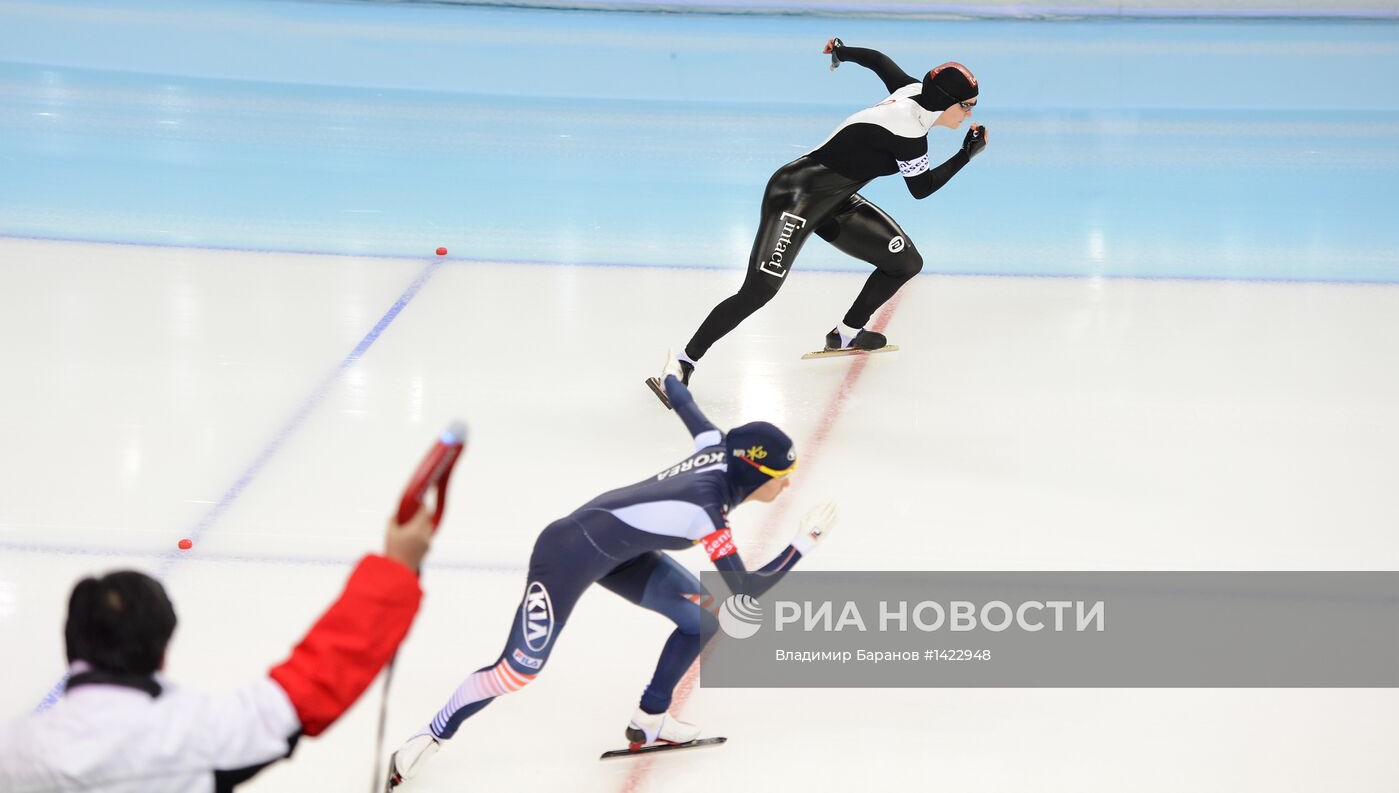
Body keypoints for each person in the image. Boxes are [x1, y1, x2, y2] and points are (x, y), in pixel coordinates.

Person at [386, 360, 838, 789]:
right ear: (755, 474)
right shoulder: (707, 512)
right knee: (517, 671)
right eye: (784, 475)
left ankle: (650, 720)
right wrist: (803, 542)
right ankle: (431, 734)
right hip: (565, 554)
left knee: (703, 619)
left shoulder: (715, 446)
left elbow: (684, 404)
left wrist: (671, 376)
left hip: (623, 555)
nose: (788, 485)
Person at [0, 505, 440, 793]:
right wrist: (396, 567)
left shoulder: (14, 752)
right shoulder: (190, 737)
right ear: (162, 651)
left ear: (71, 643)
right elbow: (309, 686)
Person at [653, 37, 987, 401]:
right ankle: (683, 363)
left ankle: (845, 334)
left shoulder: (912, 90)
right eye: (966, 106)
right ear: (944, 101)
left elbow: (878, 60)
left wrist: (842, 52)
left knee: (904, 262)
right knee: (758, 291)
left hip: (836, 200)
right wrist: (965, 155)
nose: (968, 113)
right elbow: (921, 189)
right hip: (795, 197)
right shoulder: (909, 133)